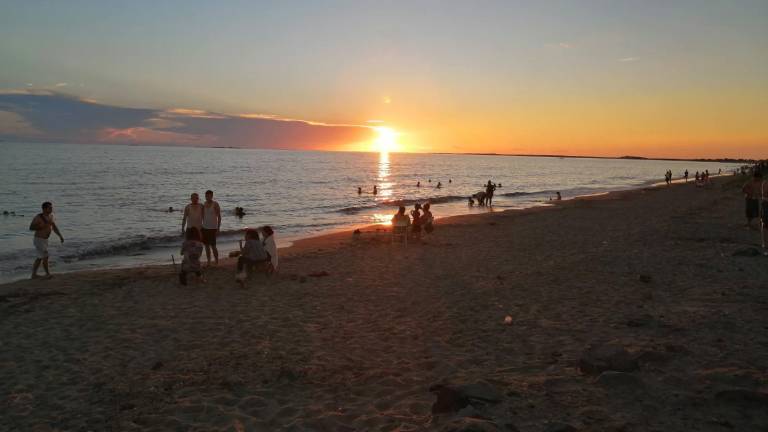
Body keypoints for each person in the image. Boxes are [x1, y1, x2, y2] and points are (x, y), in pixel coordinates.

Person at [29, 202, 64, 279]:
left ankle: (34, 275)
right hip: (38, 239)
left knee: (40, 257)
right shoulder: (38, 217)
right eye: (49, 208)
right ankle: (47, 274)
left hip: (45, 240)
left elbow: (54, 227)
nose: (51, 209)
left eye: (51, 208)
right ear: (44, 209)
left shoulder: (51, 216)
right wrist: (40, 227)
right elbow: (31, 228)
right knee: (45, 256)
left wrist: (60, 236)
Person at [201, 190, 222, 266]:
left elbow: (219, 217)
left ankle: (216, 261)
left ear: (212, 196)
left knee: (213, 246)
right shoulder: (204, 204)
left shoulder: (215, 204)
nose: (208, 197)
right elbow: (202, 216)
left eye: (209, 196)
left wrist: (218, 228)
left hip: (213, 228)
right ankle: (209, 261)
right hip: (205, 228)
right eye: (206, 196)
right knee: (206, 246)